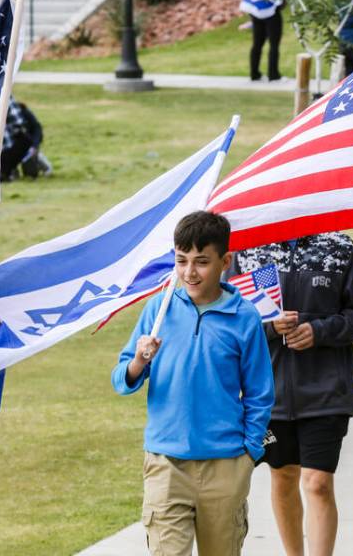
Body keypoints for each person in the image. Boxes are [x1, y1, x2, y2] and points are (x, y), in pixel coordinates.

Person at [112, 211, 274, 556]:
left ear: (225, 261)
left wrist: (249, 451)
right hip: (166, 464)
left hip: (226, 464)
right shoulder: (159, 308)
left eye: (201, 262)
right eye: (181, 260)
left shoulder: (244, 317)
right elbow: (121, 379)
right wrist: (140, 360)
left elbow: (261, 393)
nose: (189, 272)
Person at [232, 234, 353, 556]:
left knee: (318, 484)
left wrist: (318, 331)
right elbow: (231, 316)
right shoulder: (250, 248)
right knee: (283, 476)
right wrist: (269, 327)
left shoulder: (339, 246)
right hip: (268, 392)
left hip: (326, 391)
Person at [240, 0, 289, 82]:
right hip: (272, 13)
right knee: (274, 45)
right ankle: (274, 75)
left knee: (257, 44)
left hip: (256, 14)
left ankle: (254, 74)